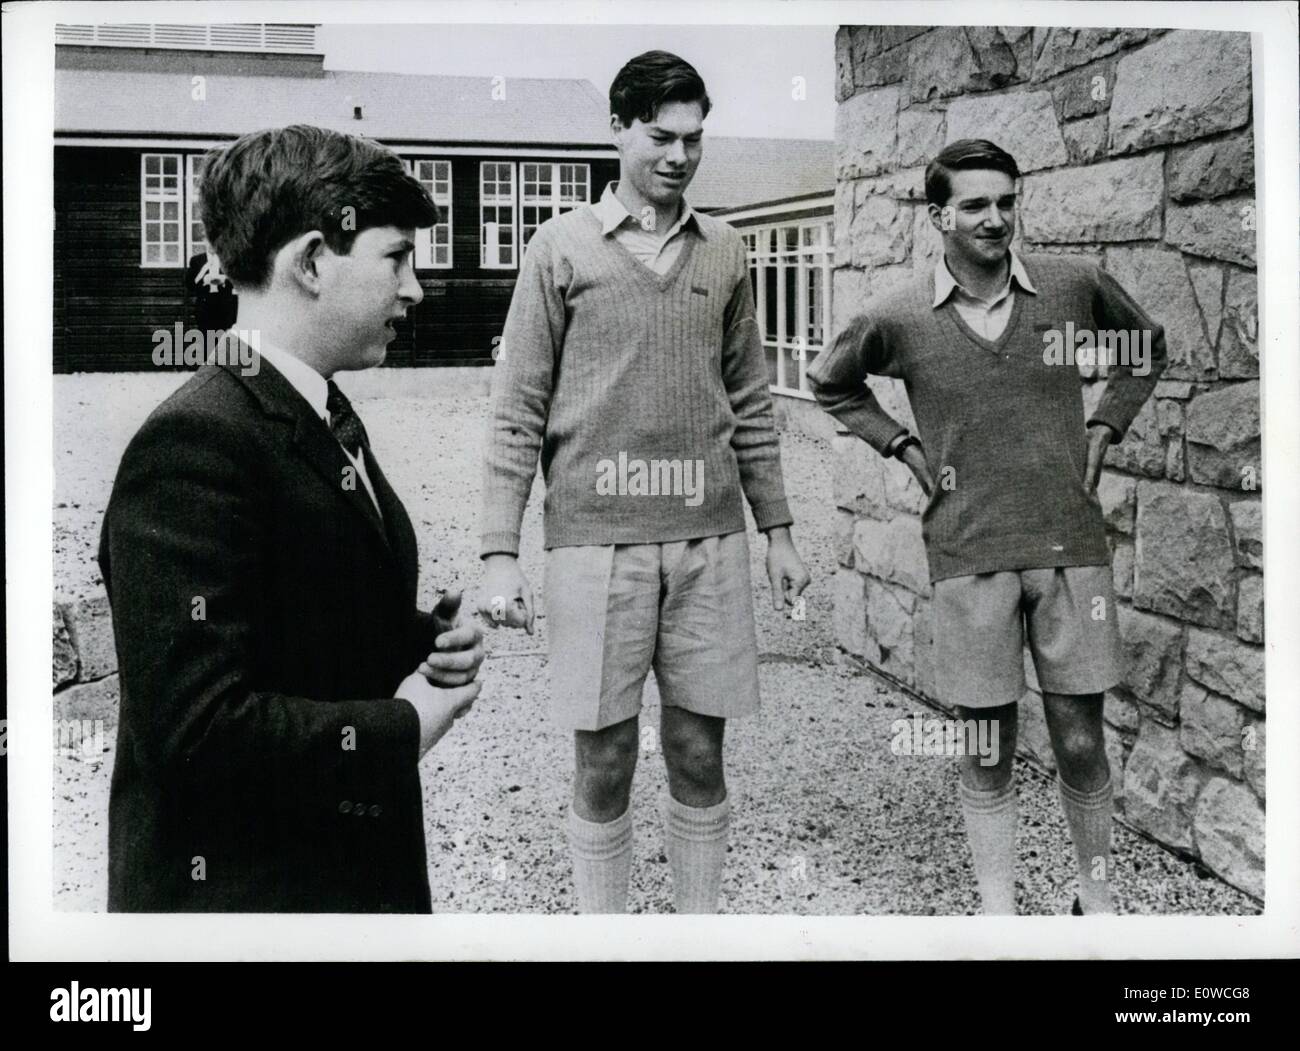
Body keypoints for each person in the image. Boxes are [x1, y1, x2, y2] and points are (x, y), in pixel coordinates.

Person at [99, 125, 485, 912]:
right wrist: (405, 725)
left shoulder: (311, 405)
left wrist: (416, 636)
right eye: (395, 257)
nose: (415, 288)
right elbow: (197, 730)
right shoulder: (193, 441)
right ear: (311, 261)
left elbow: (286, 618)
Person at [477, 50, 810, 914]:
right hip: (597, 543)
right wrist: (497, 553)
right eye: (660, 136)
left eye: (693, 139)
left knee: (700, 752)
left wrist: (777, 532)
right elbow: (516, 409)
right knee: (605, 757)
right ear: (617, 129)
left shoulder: (727, 250)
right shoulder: (558, 250)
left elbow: (750, 398)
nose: (678, 156)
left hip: (708, 541)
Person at [808, 139, 1166, 915]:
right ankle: (998, 911)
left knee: (1080, 738)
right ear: (939, 215)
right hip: (968, 550)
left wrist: (1105, 428)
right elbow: (832, 383)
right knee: (986, 743)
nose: (995, 218)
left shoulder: (1071, 288)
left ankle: (1096, 903)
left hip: (1070, 543)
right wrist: (902, 446)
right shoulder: (899, 316)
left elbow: (1146, 347)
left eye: (1006, 201)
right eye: (974, 204)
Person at [186, 249, 239, 337]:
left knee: (224, 341)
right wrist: (203, 276)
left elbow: (238, 281)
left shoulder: (228, 259)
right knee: (207, 341)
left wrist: (224, 280)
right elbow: (189, 284)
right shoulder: (197, 260)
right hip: (205, 306)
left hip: (224, 306)